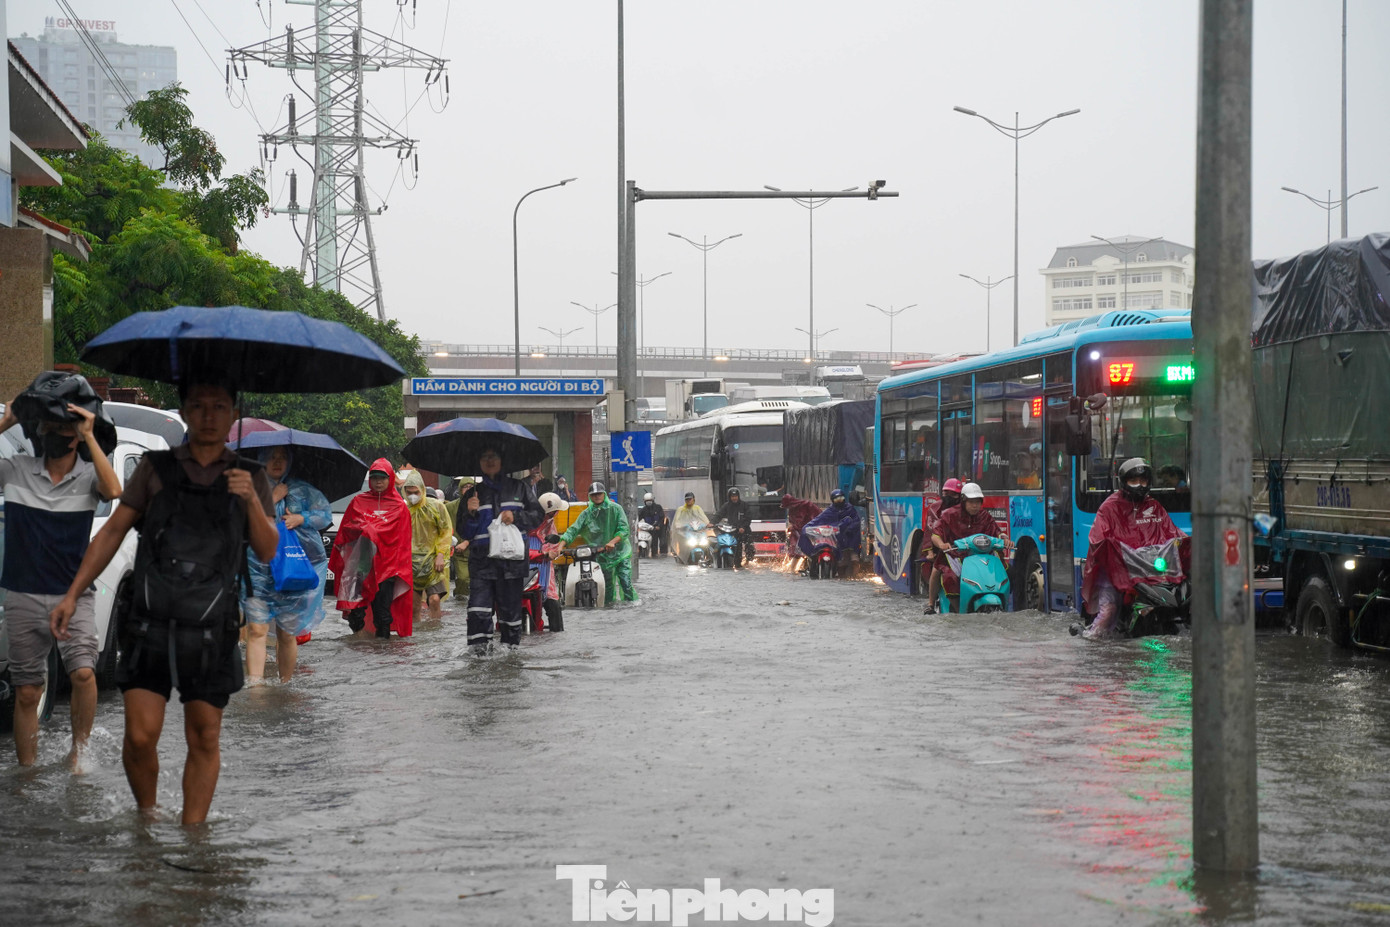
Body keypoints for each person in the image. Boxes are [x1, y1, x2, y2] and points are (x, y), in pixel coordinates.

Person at [50, 380, 278, 825]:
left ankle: (193, 833)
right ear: (185, 411)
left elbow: (267, 549)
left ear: (233, 414)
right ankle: (147, 818)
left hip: (211, 625)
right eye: (199, 405)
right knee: (139, 737)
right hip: (149, 620)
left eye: (219, 406)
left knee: (204, 735)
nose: (208, 415)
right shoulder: (154, 469)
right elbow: (112, 532)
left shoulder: (249, 476)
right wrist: (73, 593)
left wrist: (251, 499)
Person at [0, 390, 121, 768]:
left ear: (75, 436)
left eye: (62, 428)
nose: (54, 433)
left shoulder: (88, 476)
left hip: (74, 594)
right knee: (27, 690)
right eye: (47, 426)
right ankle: (27, 772)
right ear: (37, 431)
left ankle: (78, 754)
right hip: (23, 594)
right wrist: (6, 422)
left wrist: (89, 435)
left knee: (84, 673)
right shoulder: (16, 469)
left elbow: (114, 490)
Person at [241, 446, 332, 684]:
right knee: (257, 630)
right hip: (257, 570)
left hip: (291, 569)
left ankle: (285, 685)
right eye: (272, 457)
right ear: (262, 459)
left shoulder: (300, 489)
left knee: (287, 633)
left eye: (282, 457)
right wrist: (271, 498)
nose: (277, 462)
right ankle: (255, 688)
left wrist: (301, 518)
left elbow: (324, 514)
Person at [1080, 458, 1187, 640]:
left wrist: (1185, 541)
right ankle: (1092, 639)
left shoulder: (1154, 506)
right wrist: (1115, 550)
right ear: (1124, 482)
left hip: (1148, 567)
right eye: (1134, 480)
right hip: (1116, 569)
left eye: (1143, 480)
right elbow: (1098, 537)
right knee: (1109, 610)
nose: (1139, 485)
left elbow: (1171, 531)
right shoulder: (1109, 507)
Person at [459, 447, 544, 654]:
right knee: (478, 610)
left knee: (510, 614)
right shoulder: (472, 494)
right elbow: (464, 531)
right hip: (481, 563)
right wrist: (470, 513)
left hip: (511, 565)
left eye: (493, 456)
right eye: (484, 457)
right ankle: (478, 656)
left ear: (502, 460)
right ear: (479, 462)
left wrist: (516, 517)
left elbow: (537, 516)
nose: (489, 461)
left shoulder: (520, 489)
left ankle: (510, 656)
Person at [331, 460, 413, 639]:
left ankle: (382, 647)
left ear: (390, 479)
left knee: (382, 613)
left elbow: (403, 540)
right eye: (374, 478)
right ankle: (360, 642)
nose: (378, 482)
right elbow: (345, 531)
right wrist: (364, 529)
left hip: (387, 568)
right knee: (355, 610)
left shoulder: (399, 506)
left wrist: (374, 531)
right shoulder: (358, 502)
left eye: (382, 478)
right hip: (360, 566)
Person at [930, 482, 1011, 611]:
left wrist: (1005, 540)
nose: (975, 505)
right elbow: (935, 535)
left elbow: (996, 532)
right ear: (963, 501)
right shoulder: (948, 515)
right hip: (955, 555)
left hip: (981, 556)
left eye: (977, 502)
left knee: (1007, 571)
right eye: (971, 502)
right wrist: (942, 544)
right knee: (941, 571)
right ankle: (930, 605)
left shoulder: (985, 516)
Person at [557, 481, 637, 604]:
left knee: (625, 581)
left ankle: (631, 605)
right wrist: (561, 545)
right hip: (602, 554)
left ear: (604, 494)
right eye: (594, 494)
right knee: (607, 587)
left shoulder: (616, 509)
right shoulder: (586, 514)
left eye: (599, 494)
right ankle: (609, 608)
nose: (597, 497)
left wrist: (613, 542)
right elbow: (573, 530)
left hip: (620, 552)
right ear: (590, 496)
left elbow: (624, 529)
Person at [402, 470, 453, 625]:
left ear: (422, 490)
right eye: (409, 492)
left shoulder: (436, 507)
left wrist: (440, 555)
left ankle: (435, 630)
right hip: (411, 562)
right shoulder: (403, 509)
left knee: (434, 600)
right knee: (414, 606)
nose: (412, 496)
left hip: (433, 561)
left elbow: (445, 532)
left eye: (416, 492)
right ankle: (418, 634)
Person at [920, 478, 964, 615]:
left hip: (966, 550)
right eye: (946, 494)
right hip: (944, 550)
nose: (949, 497)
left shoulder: (969, 510)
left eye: (953, 494)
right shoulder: (935, 510)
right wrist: (931, 551)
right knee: (937, 569)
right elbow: (931, 533)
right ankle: (931, 604)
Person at [797, 488, 861, 570]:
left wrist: (848, 529)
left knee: (854, 560)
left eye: (841, 498)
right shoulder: (830, 511)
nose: (839, 501)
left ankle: (854, 574)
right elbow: (818, 520)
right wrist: (806, 528)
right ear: (833, 500)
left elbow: (856, 521)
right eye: (837, 499)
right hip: (836, 540)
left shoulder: (850, 509)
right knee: (840, 563)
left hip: (849, 540)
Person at [534, 492, 567, 631]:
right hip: (525, 564)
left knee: (553, 602)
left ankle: (557, 631)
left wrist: (553, 552)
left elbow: (553, 544)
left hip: (544, 566)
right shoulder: (527, 522)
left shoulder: (549, 523)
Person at [445, 478, 475, 602]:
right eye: (465, 487)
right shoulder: (451, 507)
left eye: (471, 487)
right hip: (459, 550)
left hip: (477, 549)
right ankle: (460, 596)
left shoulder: (480, 505)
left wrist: (468, 542)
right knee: (463, 578)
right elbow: (445, 524)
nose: (468, 489)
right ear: (460, 489)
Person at [714, 487, 753, 567]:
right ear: (729, 497)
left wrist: (743, 527)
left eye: (735, 496)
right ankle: (736, 563)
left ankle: (748, 560)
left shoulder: (744, 505)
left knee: (749, 545)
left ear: (738, 496)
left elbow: (748, 518)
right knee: (737, 546)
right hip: (733, 530)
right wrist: (711, 522)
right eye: (732, 496)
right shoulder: (726, 506)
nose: (734, 498)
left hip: (744, 529)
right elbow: (719, 515)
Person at [779, 493, 822, 561]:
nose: (788, 508)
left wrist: (795, 527)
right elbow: (792, 521)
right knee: (796, 547)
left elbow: (801, 521)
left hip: (812, 529)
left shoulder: (805, 505)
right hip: (803, 530)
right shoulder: (792, 510)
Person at [637, 491, 669, 556]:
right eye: (647, 501)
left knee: (663, 541)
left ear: (653, 500)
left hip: (661, 527)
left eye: (650, 500)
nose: (648, 502)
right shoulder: (643, 510)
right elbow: (638, 518)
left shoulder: (658, 507)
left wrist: (659, 526)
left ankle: (663, 554)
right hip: (651, 528)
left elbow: (662, 518)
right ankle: (654, 554)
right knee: (653, 542)